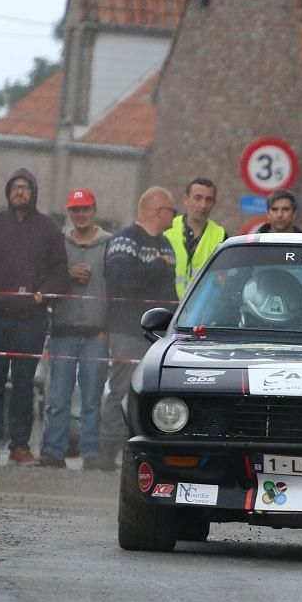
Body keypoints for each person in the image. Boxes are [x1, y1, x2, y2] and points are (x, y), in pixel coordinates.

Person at [0, 168, 68, 465]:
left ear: (33, 193)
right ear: (8, 191)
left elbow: (60, 272)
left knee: (24, 384)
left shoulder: (48, 228)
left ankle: (20, 446)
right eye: (15, 187)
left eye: (26, 187)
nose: (20, 191)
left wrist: (44, 293)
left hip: (30, 320)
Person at [90, 187, 178, 471]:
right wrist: (155, 267)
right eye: (171, 211)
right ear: (157, 211)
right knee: (121, 389)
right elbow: (120, 281)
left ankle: (138, 452)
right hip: (128, 330)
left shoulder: (166, 245)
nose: (175, 217)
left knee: (148, 393)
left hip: (158, 334)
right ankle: (107, 452)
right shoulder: (124, 240)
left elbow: (168, 290)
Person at [40, 189, 113, 468]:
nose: (80, 214)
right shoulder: (58, 245)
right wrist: (65, 275)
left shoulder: (109, 245)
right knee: (57, 397)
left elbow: (116, 289)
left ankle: (91, 453)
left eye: (85, 209)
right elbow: (45, 278)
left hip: (97, 333)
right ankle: (53, 451)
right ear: (69, 213)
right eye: (75, 210)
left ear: (94, 210)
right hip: (63, 331)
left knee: (92, 398)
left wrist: (108, 327)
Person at [164, 176, 228, 298]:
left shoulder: (221, 235)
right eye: (198, 198)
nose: (203, 205)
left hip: (203, 309)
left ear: (214, 203)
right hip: (169, 306)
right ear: (186, 199)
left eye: (208, 200)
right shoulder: (167, 229)